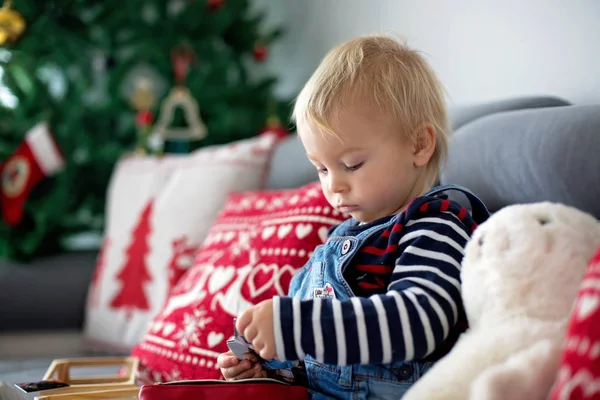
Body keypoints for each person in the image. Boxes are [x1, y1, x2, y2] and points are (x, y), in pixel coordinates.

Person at [217, 33, 489, 399]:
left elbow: (419, 321)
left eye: (352, 164)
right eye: (322, 170)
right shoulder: (332, 248)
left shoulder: (435, 224)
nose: (334, 187)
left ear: (419, 145)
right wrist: (267, 366)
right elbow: (312, 366)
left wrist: (295, 327)